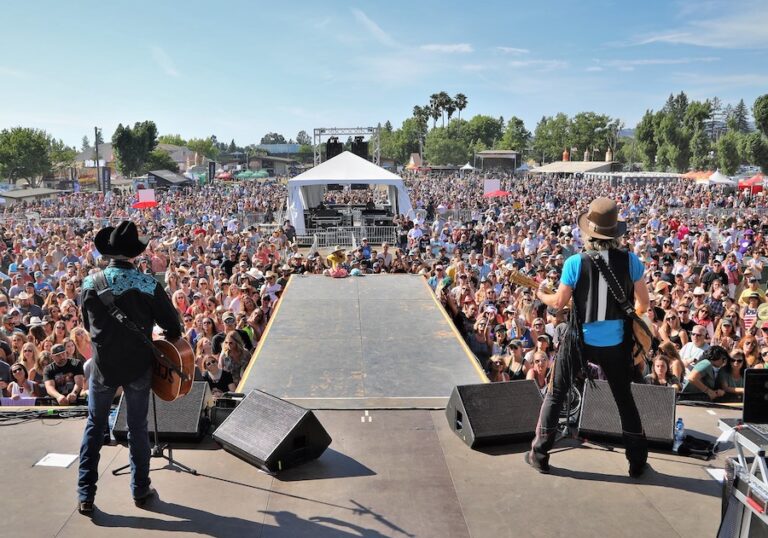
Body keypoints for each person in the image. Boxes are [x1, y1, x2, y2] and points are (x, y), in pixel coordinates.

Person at [527, 197, 649, 478]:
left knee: (556, 394)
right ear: (615, 233)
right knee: (624, 399)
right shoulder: (631, 261)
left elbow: (558, 303)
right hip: (616, 343)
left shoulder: (574, 262)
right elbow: (644, 304)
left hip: (579, 340)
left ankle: (540, 454)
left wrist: (540, 293)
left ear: (589, 232)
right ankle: (637, 461)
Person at [76, 221, 182, 516]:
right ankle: (140, 489)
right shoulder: (148, 284)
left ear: (109, 253)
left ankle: (86, 494)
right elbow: (173, 325)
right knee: (137, 428)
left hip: (103, 368)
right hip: (138, 368)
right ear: (135, 254)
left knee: (95, 426)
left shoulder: (89, 284)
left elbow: (88, 325)